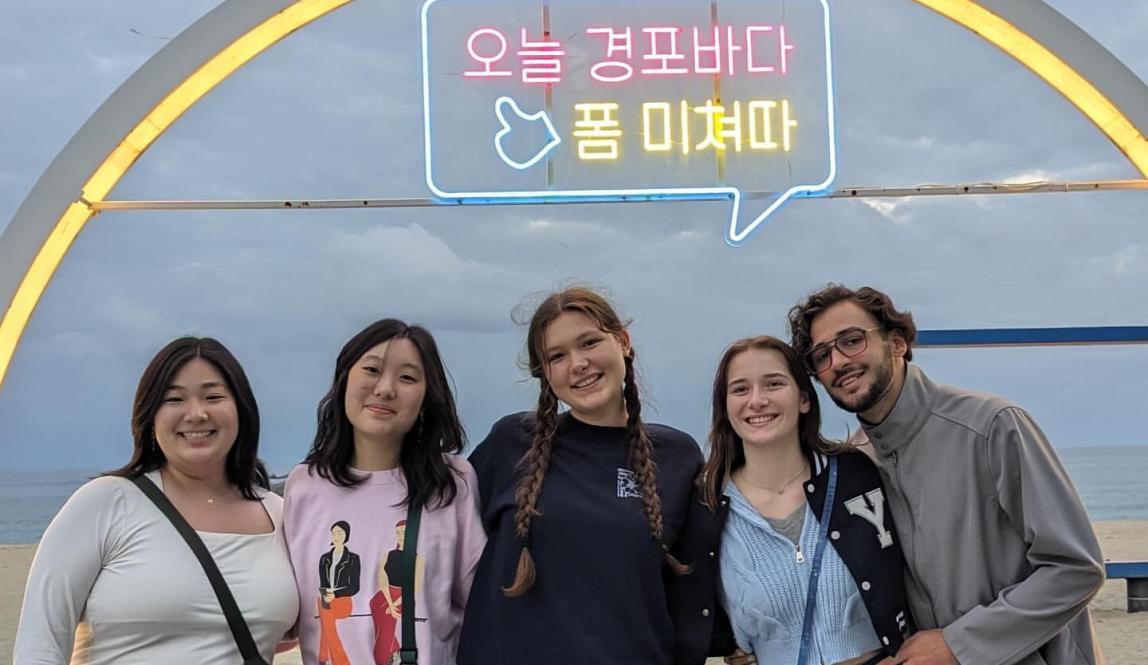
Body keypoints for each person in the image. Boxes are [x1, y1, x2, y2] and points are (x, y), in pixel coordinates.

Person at [788, 284, 1105, 665]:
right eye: (822, 355)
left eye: (851, 340)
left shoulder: (992, 426)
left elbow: (1076, 568)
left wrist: (961, 644)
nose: (838, 361)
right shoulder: (856, 465)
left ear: (897, 343)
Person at [14, 337, 299, 664]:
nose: (197, 413)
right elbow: (40, 645)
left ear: (242, 410)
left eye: (214, 396)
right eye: (174, 399)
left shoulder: (282, 517)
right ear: (150, 415)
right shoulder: (106, 503)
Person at [458, 286, 704, 665]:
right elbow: (437, 533)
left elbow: (698, 587)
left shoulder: (677, 457)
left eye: (589, 343)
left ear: (623, 341)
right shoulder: (510, 443)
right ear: (545, 373)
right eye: (557, 355)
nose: (578, 363)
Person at [672, 336, 913, 665]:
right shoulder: (707, 507)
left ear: (803, 399)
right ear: (725, 408)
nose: (757, 400)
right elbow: (684, 598)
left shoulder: (856, 476)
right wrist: (726, 644)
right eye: (740, 389)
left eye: (773, 384)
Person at [283, 319, 485, 665]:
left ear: (426, 396)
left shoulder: (452, 482)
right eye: (372, 370)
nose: (385, 389)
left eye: (407, 377)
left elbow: (481, 603)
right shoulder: (305, 484)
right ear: (344, 378)